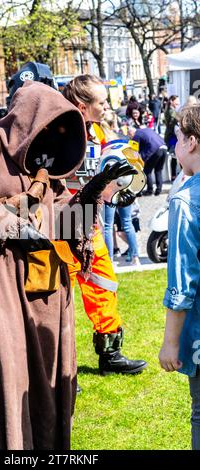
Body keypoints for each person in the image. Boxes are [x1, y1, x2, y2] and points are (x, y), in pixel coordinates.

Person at [0, 80, 134, 450]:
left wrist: (96, 192)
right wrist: (11, 224)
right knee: (1, 378)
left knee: (42, 381)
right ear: (27, 120)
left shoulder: (47, 166)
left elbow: (61, 224)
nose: (53, 135)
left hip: (37, 290)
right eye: (47, 124)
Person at [63, 75, 147, 375]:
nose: (107, 106)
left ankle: (110, 355)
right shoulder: (57, 133)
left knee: (104, 284)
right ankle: (59, 370)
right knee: (58, 300)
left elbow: (105, 170)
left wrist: (119, 188)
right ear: (82, 105)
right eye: (101, 102)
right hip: (61, 224)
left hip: (90, 223)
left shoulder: (97, 131)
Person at [159, 104, 200, 450]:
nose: (174, 146)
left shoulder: (185, 200)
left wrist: (170, 342)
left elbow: (182, 281)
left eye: (176, 138)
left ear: (192, 142)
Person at [129, 126, 167, 196]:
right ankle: (158, 190)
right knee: (158, 170)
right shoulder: (146, 129)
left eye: (129, 134)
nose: (129, 136)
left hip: (155, 150)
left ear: (131, 132)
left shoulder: (136, 135)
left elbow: (133, 150)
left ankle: (150, 190)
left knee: (147, 171)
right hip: (164, 147)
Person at [164, 95, 180, 181]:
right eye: (177, 101)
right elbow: (179, 118)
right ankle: (175, 175)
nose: (178, 102)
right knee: (174, 156)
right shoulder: (171, 111)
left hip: (172, 136)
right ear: (171, 101)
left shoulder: (170, 110)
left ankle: (175, 175)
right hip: (172, 137)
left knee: (175, 156)